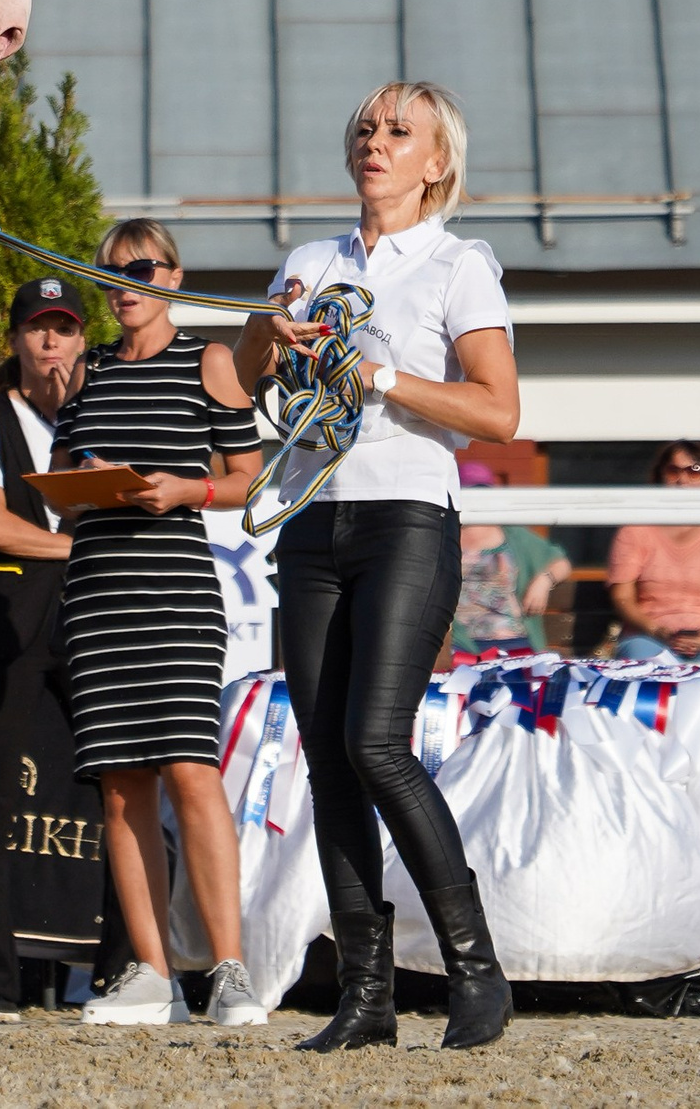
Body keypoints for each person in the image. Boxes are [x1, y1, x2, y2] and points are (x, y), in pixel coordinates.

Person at [233, 82, 521, 1052]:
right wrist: (263, 335)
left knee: (375, 743)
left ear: (436, 163)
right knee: (325, 761)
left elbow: (497, 413)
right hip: (315, 522)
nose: (375, 142)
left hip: (405, 514)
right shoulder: (311, 261)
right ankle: (365, 998)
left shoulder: (457, 264)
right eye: (365, 128)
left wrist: (385, 376)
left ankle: (474, 969)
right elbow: (235, 382)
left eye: (400, 132)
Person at [48, 224, 267, 1028]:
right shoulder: (90, 369)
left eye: (141, 267)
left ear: (174, 275)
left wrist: (188, 490)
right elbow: (62, 489)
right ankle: (151, 973)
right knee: (119, 785)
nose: (124, 281)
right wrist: (78, 483)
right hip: (98, 592)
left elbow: (250, 477)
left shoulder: (207, 360)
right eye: (109, 269)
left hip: (175, 592)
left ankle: (230, 969)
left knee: (191, 771)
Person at [0, 277, 86, 1022]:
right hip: (11, 612)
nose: (51, 341)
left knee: (117, 787)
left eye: (64, 328)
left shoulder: (101, 411)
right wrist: (80, 546)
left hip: (90, 613)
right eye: (38, 327)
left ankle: (126, 967)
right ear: (15, 340)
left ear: (82, 340)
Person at [606, 442, 700, 663]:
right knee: (644, 670)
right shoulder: (635, 530)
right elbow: (623, 596)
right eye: (673, 470)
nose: (682, 480)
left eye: (694, 471)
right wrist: (656, 630)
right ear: (660, 477)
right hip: (650, 636)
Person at [447, 463, 566, 660]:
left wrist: (544, 580)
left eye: (481, 493)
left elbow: (560, 562)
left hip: (514, 639)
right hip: (459, 643)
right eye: (469, 493)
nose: (476, 500)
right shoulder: (442, 535)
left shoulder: (513, 534)